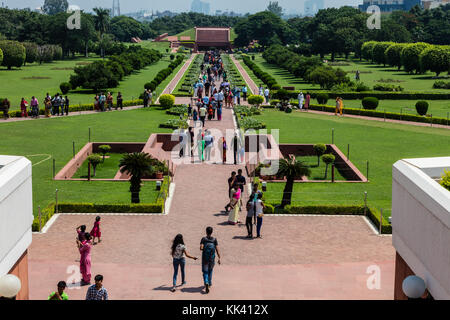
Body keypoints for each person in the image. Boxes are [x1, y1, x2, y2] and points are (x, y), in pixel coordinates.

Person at [200, 227, 221, 294]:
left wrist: (204, 247)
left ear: (206, 232)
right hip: (212, 259)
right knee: (210, 270)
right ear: (212, 232)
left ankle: (206, 282)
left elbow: (201, 248)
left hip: (205, 259)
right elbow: (217, 249)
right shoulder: (214, 239)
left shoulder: (203, 239)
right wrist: (219, 258)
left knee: (205, 271)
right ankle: (209, 283)